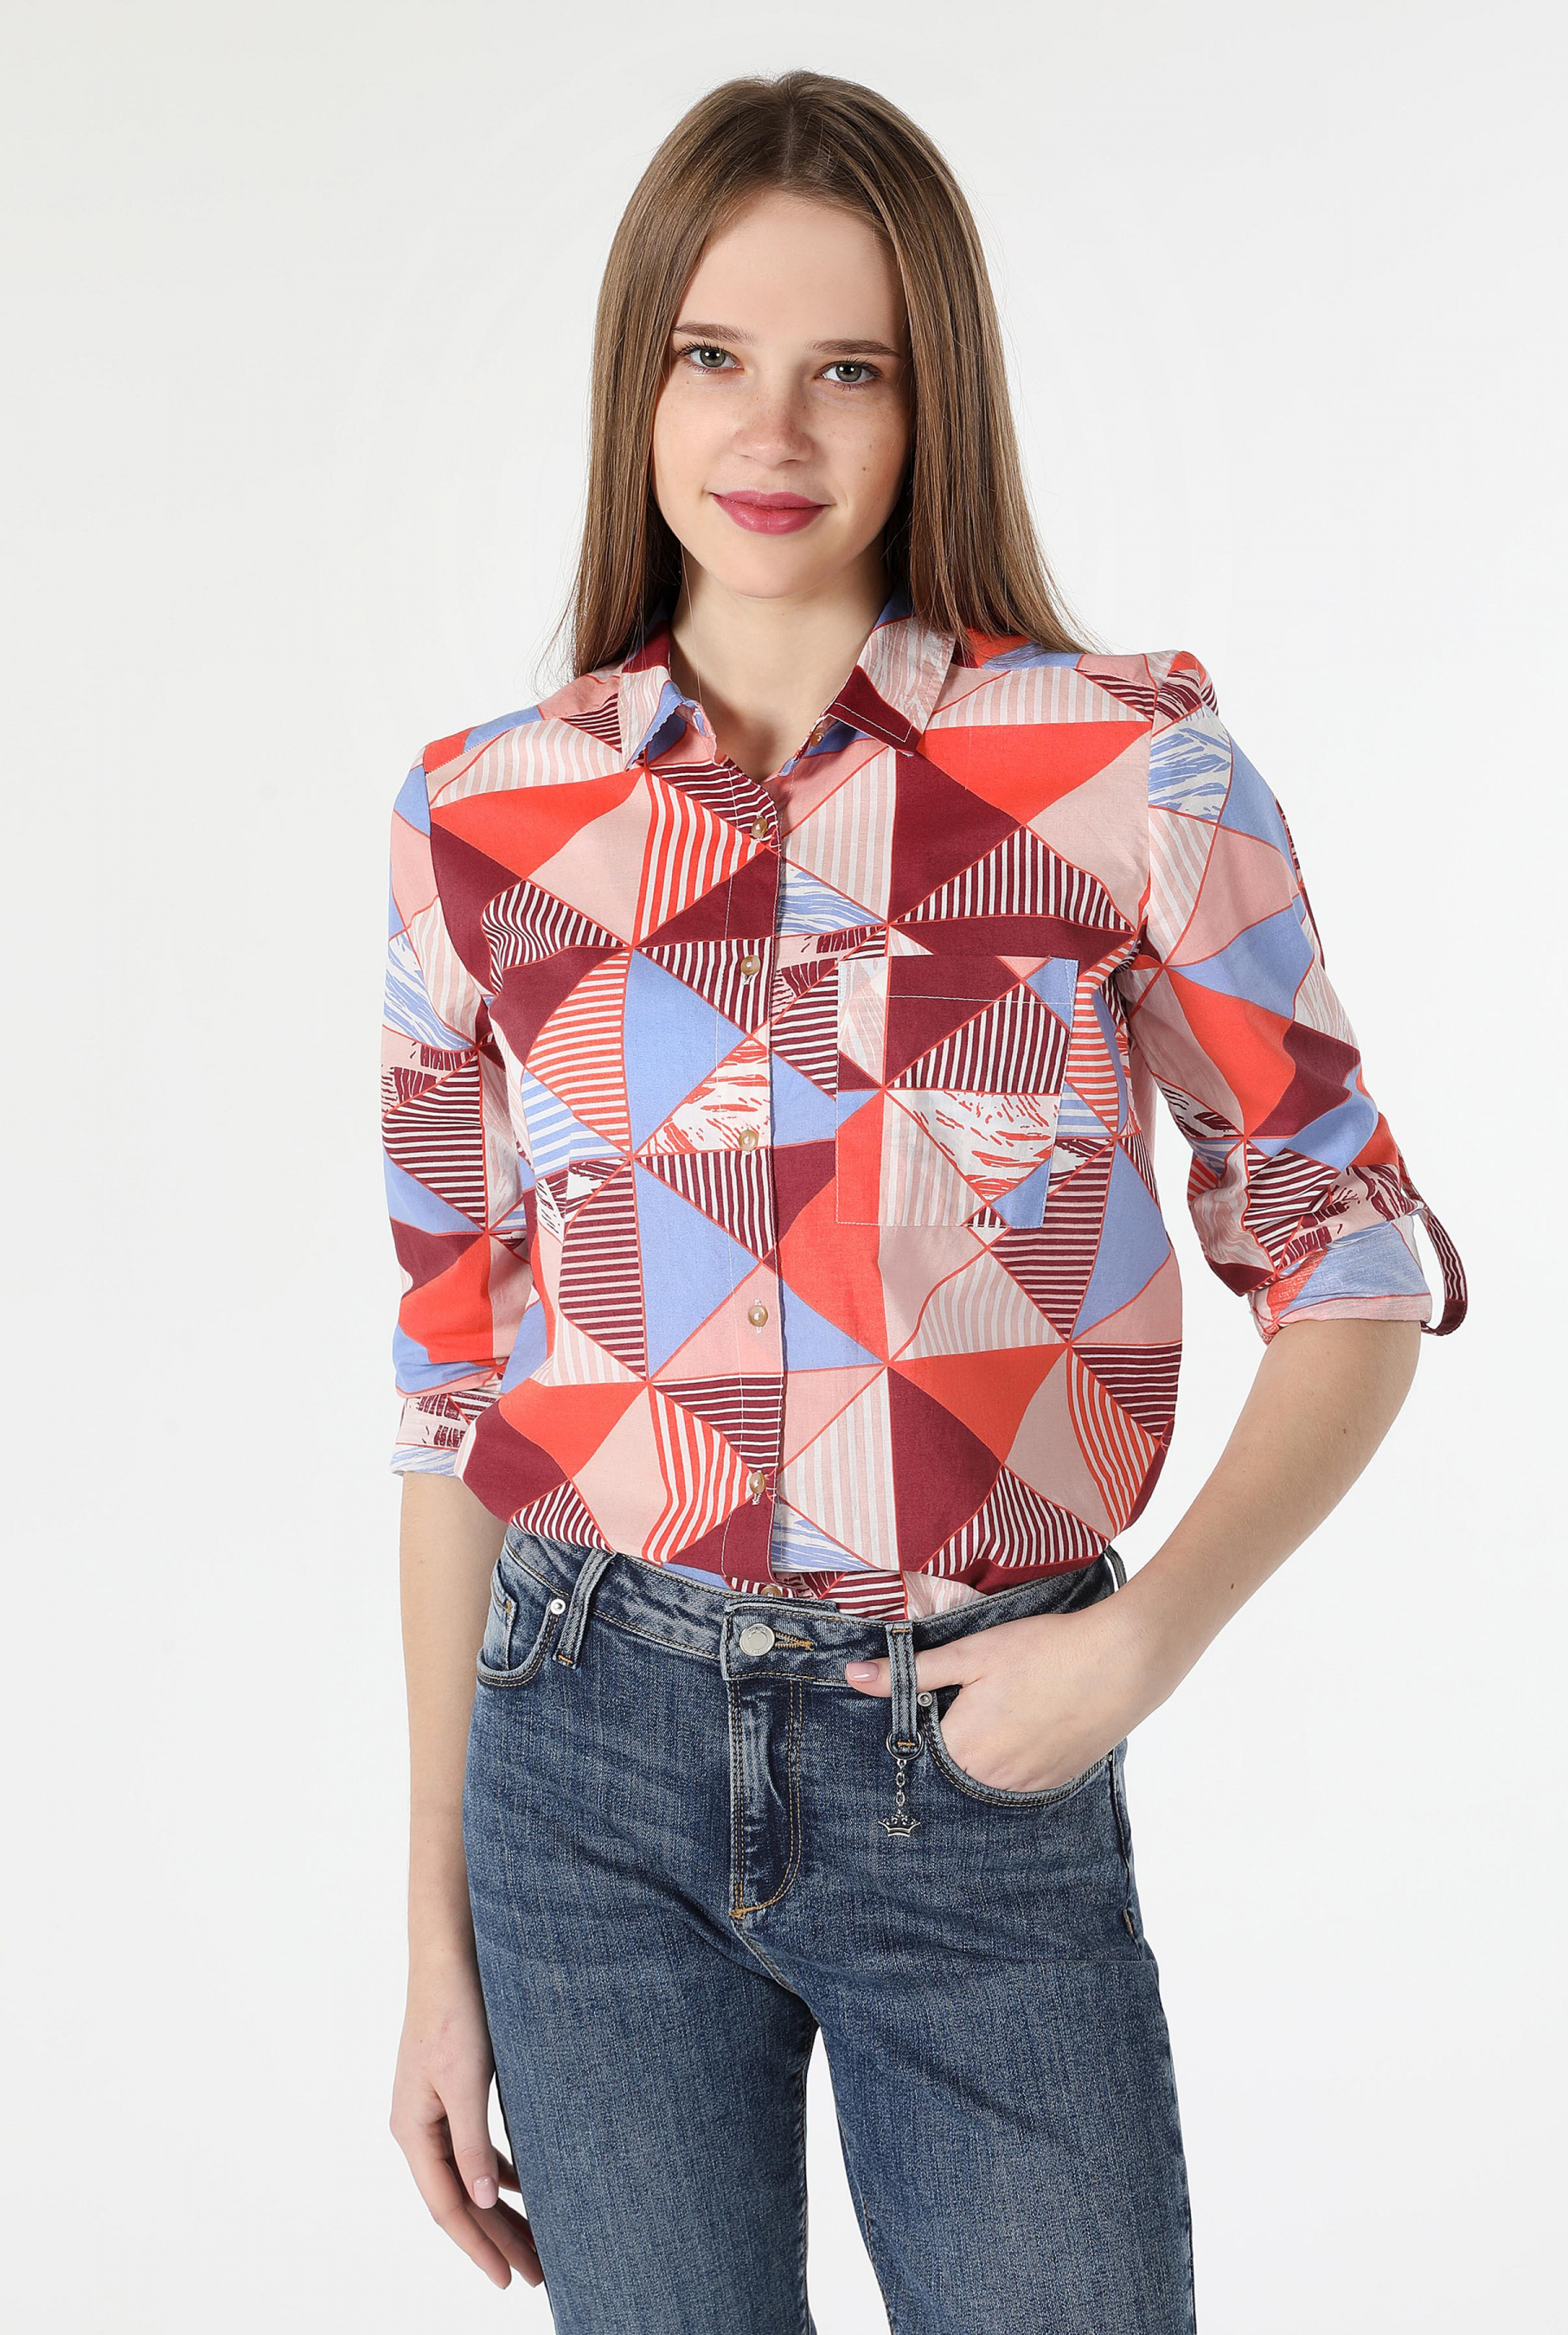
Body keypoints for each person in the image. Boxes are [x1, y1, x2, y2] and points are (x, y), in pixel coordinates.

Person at [381, 68, 1466, 2335]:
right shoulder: (484, 818)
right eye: (713, 354)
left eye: (847, 369)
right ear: (637, 380)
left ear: (929, 397)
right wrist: (432, 1941)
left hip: (973, 1746)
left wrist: (1142, 1642)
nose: (769, 430)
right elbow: (453, 1377)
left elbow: (1348, 1252)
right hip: (578, 1752)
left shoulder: (1126, 773)